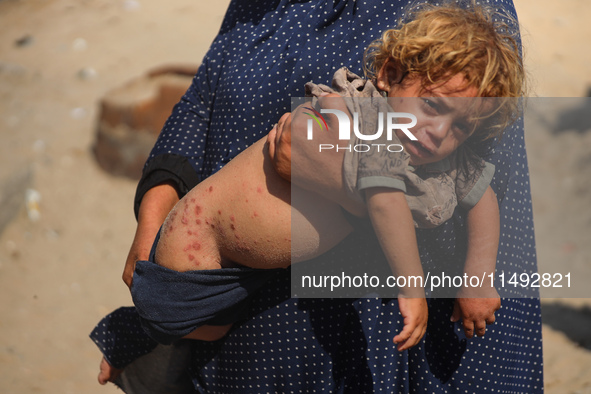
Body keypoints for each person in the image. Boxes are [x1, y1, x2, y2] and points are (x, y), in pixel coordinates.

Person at [92, 0, 543, 392]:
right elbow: (205, 102)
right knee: (184, 323)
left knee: (196, 324)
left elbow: (489, 193)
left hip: (341, 339)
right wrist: (154, 211)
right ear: (387, 75)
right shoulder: (356, 105)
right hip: (211, 265)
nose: (441, 131)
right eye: (433, 107)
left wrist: (476, 276)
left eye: (460, 126)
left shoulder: (458, 38)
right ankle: (139, 336)